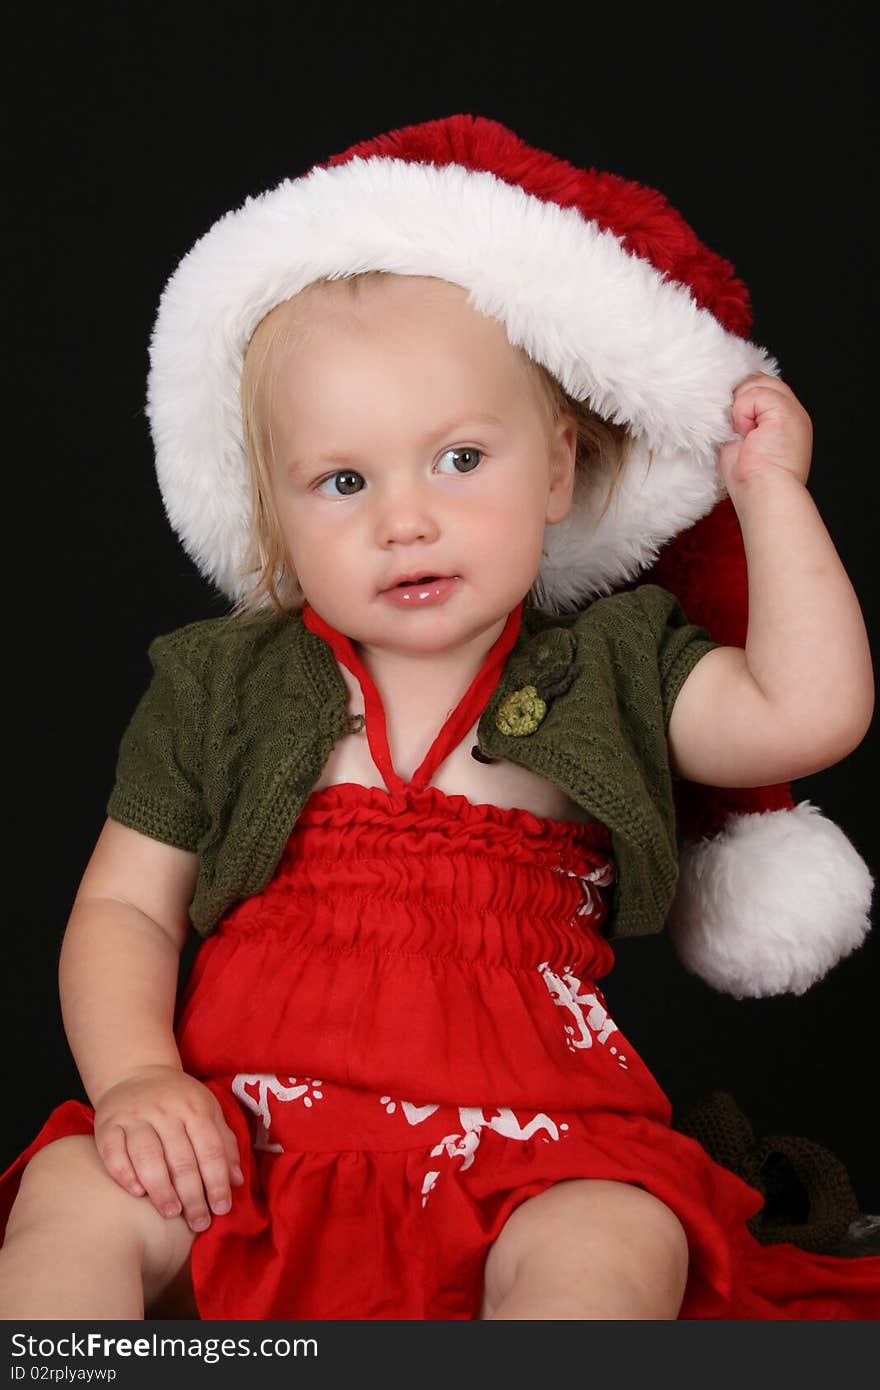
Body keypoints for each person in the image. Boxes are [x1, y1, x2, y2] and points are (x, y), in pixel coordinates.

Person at [0, 114, 877, 1321]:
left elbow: (803, 713)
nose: (403, 520)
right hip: (250, 1136)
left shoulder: (614, 667)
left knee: (616, 1235)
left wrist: (770, 496)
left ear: (559, 468)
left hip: (532, 1149)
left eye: (459, 460)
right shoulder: (224, 684)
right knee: (72, 1194)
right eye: (344, 481)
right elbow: (122, 905)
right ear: (275, 512)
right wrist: (140, 1077)